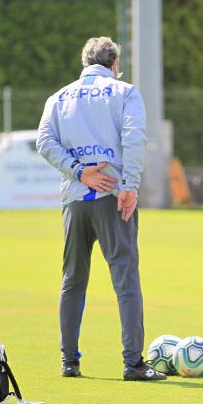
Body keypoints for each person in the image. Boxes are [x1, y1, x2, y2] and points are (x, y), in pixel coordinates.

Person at [37, 37, 166, 381]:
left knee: (73, 281)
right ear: (114, 65)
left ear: (84, 63)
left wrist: (79, 171)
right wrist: (130, 186)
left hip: (76, 198)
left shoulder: (59, 97)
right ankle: (133, 363)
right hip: (112, 195)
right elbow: (134, 137)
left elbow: (44, 142)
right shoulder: (124, 91)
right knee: (125, 279)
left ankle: (69, 361)